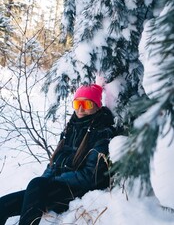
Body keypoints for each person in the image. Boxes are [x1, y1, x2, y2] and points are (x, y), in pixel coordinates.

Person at [0, 84, 116, 225]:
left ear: (97, 105)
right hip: (56, 185)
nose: (80, 108)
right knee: (3, 204)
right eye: (77, 103)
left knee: (36, 184)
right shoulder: (71, 128)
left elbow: (90, 176)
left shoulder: (101, 132)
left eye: (87, 103)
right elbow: (54, 163)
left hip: (76, 190)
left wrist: (55, 180)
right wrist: (46, 180)